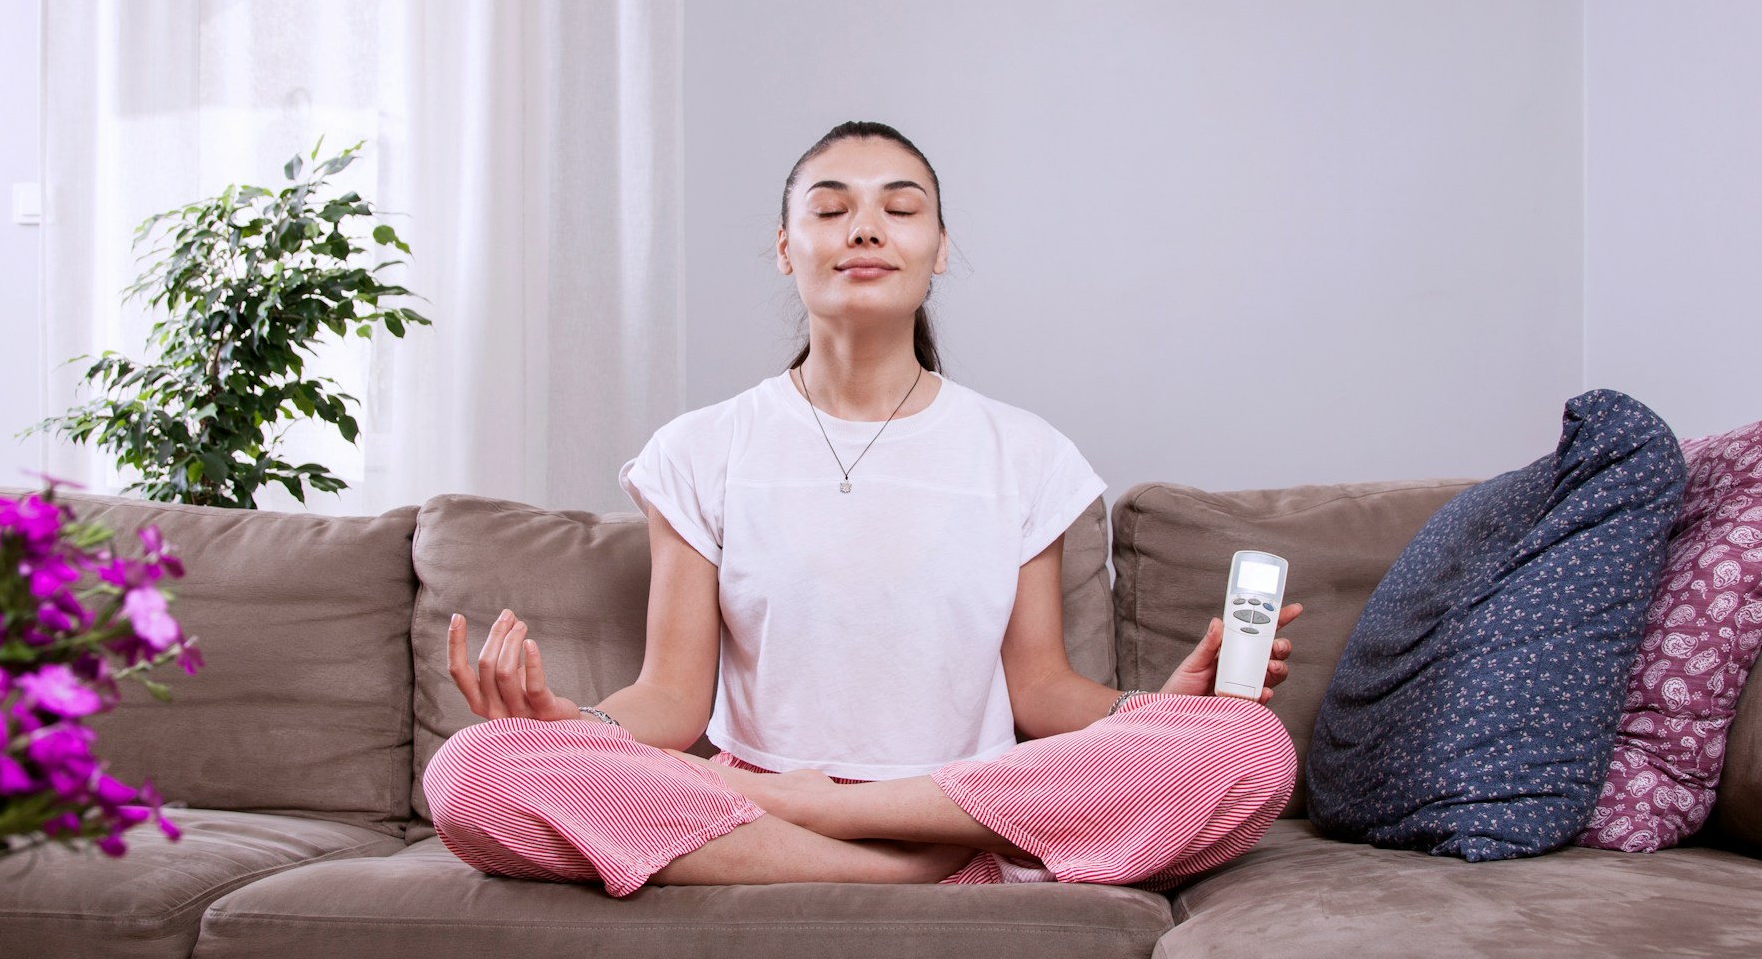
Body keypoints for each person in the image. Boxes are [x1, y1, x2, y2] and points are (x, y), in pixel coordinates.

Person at [423, 121, 1303, 895]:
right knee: (472, 772)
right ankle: (885, 863)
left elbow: (1040, 691)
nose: (867, 228)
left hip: (952, 797)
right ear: (783, 246)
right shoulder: (702, 447)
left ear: (940, 247)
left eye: (901, 207)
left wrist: (1154, 711)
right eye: (831, 207)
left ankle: (864, 824)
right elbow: (671, 700)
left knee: (1246, 750)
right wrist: (574, 724)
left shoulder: (1023, 451)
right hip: (761, 797)